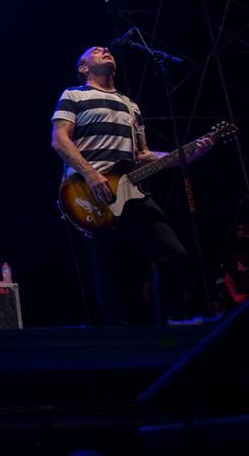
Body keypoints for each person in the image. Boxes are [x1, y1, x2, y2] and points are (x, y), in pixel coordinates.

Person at [50, 45, 210, 325]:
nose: (105, 50)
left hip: (131, 191)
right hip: (88, 191)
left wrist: (184, 155)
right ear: (83, 68)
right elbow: (60, 140)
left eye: (106, 50)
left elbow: (143, 155)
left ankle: (169, 325)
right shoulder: (74, 95)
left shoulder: (130, 105)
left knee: (173, 254)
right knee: (107, 265)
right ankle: (117, 333)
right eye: (95, 51)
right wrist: (91, 174)